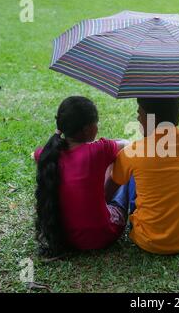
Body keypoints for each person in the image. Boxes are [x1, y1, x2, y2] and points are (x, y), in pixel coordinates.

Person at [105, 98, 179, 255]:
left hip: (148, 240)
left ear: (151, 120)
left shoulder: (133, 152)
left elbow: (108, 191)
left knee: (131, 174)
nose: (137, 118)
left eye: (139, 113)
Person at [33, 96, 128, 256]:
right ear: (87, 129)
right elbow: (127, 144)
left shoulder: (47, 155)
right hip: (100, 235)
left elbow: (35, 154)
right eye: (96, 123)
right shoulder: (98, 150)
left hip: (64, 237)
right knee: (125, 165)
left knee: (99, 169)